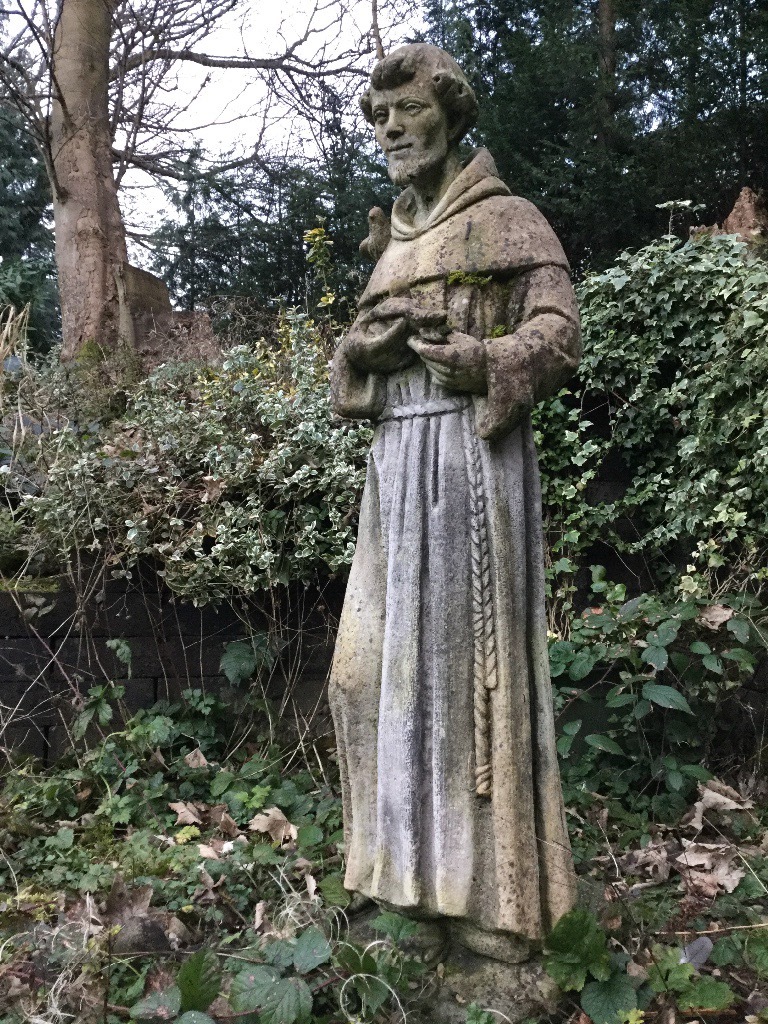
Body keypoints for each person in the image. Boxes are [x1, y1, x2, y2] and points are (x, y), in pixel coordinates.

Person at [329, 43, 580, 962]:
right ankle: (399, 885)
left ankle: (487, 911)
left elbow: (557, 334)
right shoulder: (391, 239)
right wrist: (362, 359)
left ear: (452, 114)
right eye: (379, 116)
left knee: (465, 687)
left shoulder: (509, 220)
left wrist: (486, 362)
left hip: (473, 468)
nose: (391, 129)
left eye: (408, 111)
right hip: (396, 472)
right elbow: (349, 358)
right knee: (368, 679)